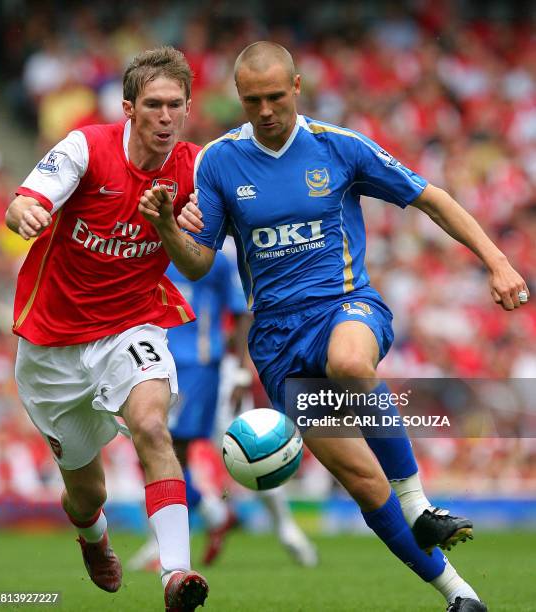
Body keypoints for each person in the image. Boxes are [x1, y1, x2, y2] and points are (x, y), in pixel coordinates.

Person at [140, 41, 529, 611]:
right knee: (365, 485)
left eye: (276, 96)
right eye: (253, 100)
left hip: (344, 306)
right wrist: (168, 228)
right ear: (239, 99)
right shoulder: (219, 162)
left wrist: (497, 261)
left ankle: (420, 506)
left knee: (350, 364)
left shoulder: (339, 147)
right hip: (277, 343)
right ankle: (460, 595)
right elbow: (198, 260)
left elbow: (431, 198)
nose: (267, 110)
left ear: (297, 87)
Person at [6, 47, 209, 612]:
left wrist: (168, 224)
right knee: (86, 492)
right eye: (153, 106)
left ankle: (177, 574)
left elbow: (196, 264)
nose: (165, 117)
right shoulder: (85, 148)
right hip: (52, 346)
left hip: (131, 324)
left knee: (151, 425)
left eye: (176, 105)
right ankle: (93, 538)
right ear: (128, 107)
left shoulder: (196, 167)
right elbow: (25, 200)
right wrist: (24, 210)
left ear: (188, 108)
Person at [128, 241, 317, 571]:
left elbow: (241, 314)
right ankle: (187, 529)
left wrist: (243, 372)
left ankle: (286, 529)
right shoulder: (149, 250)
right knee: (163, 450)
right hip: (161, 366)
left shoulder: (215, 256)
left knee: (252, 451)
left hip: (211, 371)